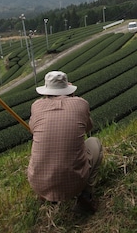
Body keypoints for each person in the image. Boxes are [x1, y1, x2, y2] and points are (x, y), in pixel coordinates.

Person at [27, 70, 103, 213]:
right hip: (75, 183)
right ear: (68, 88)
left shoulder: (36, 106)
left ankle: (46, 195)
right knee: (94, 143)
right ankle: (85, 194)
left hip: (38, 183)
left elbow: (32, 130)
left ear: (46, 91)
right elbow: (88, 129)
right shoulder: (81, 104)